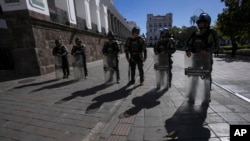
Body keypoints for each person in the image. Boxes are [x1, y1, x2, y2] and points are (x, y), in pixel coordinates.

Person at [185, 12, 219, 106]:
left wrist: (207, 50)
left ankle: (207, 95)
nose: (200, 24)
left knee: (206, 77)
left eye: (202, 22)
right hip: (196, 59)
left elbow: (216, 46)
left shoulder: (212, 32)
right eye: (199, 22)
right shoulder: (195, 33)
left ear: (207, 22)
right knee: (194, 77)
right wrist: (188, 49)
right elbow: (188, 43)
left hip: (206, 60)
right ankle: (192, 95)